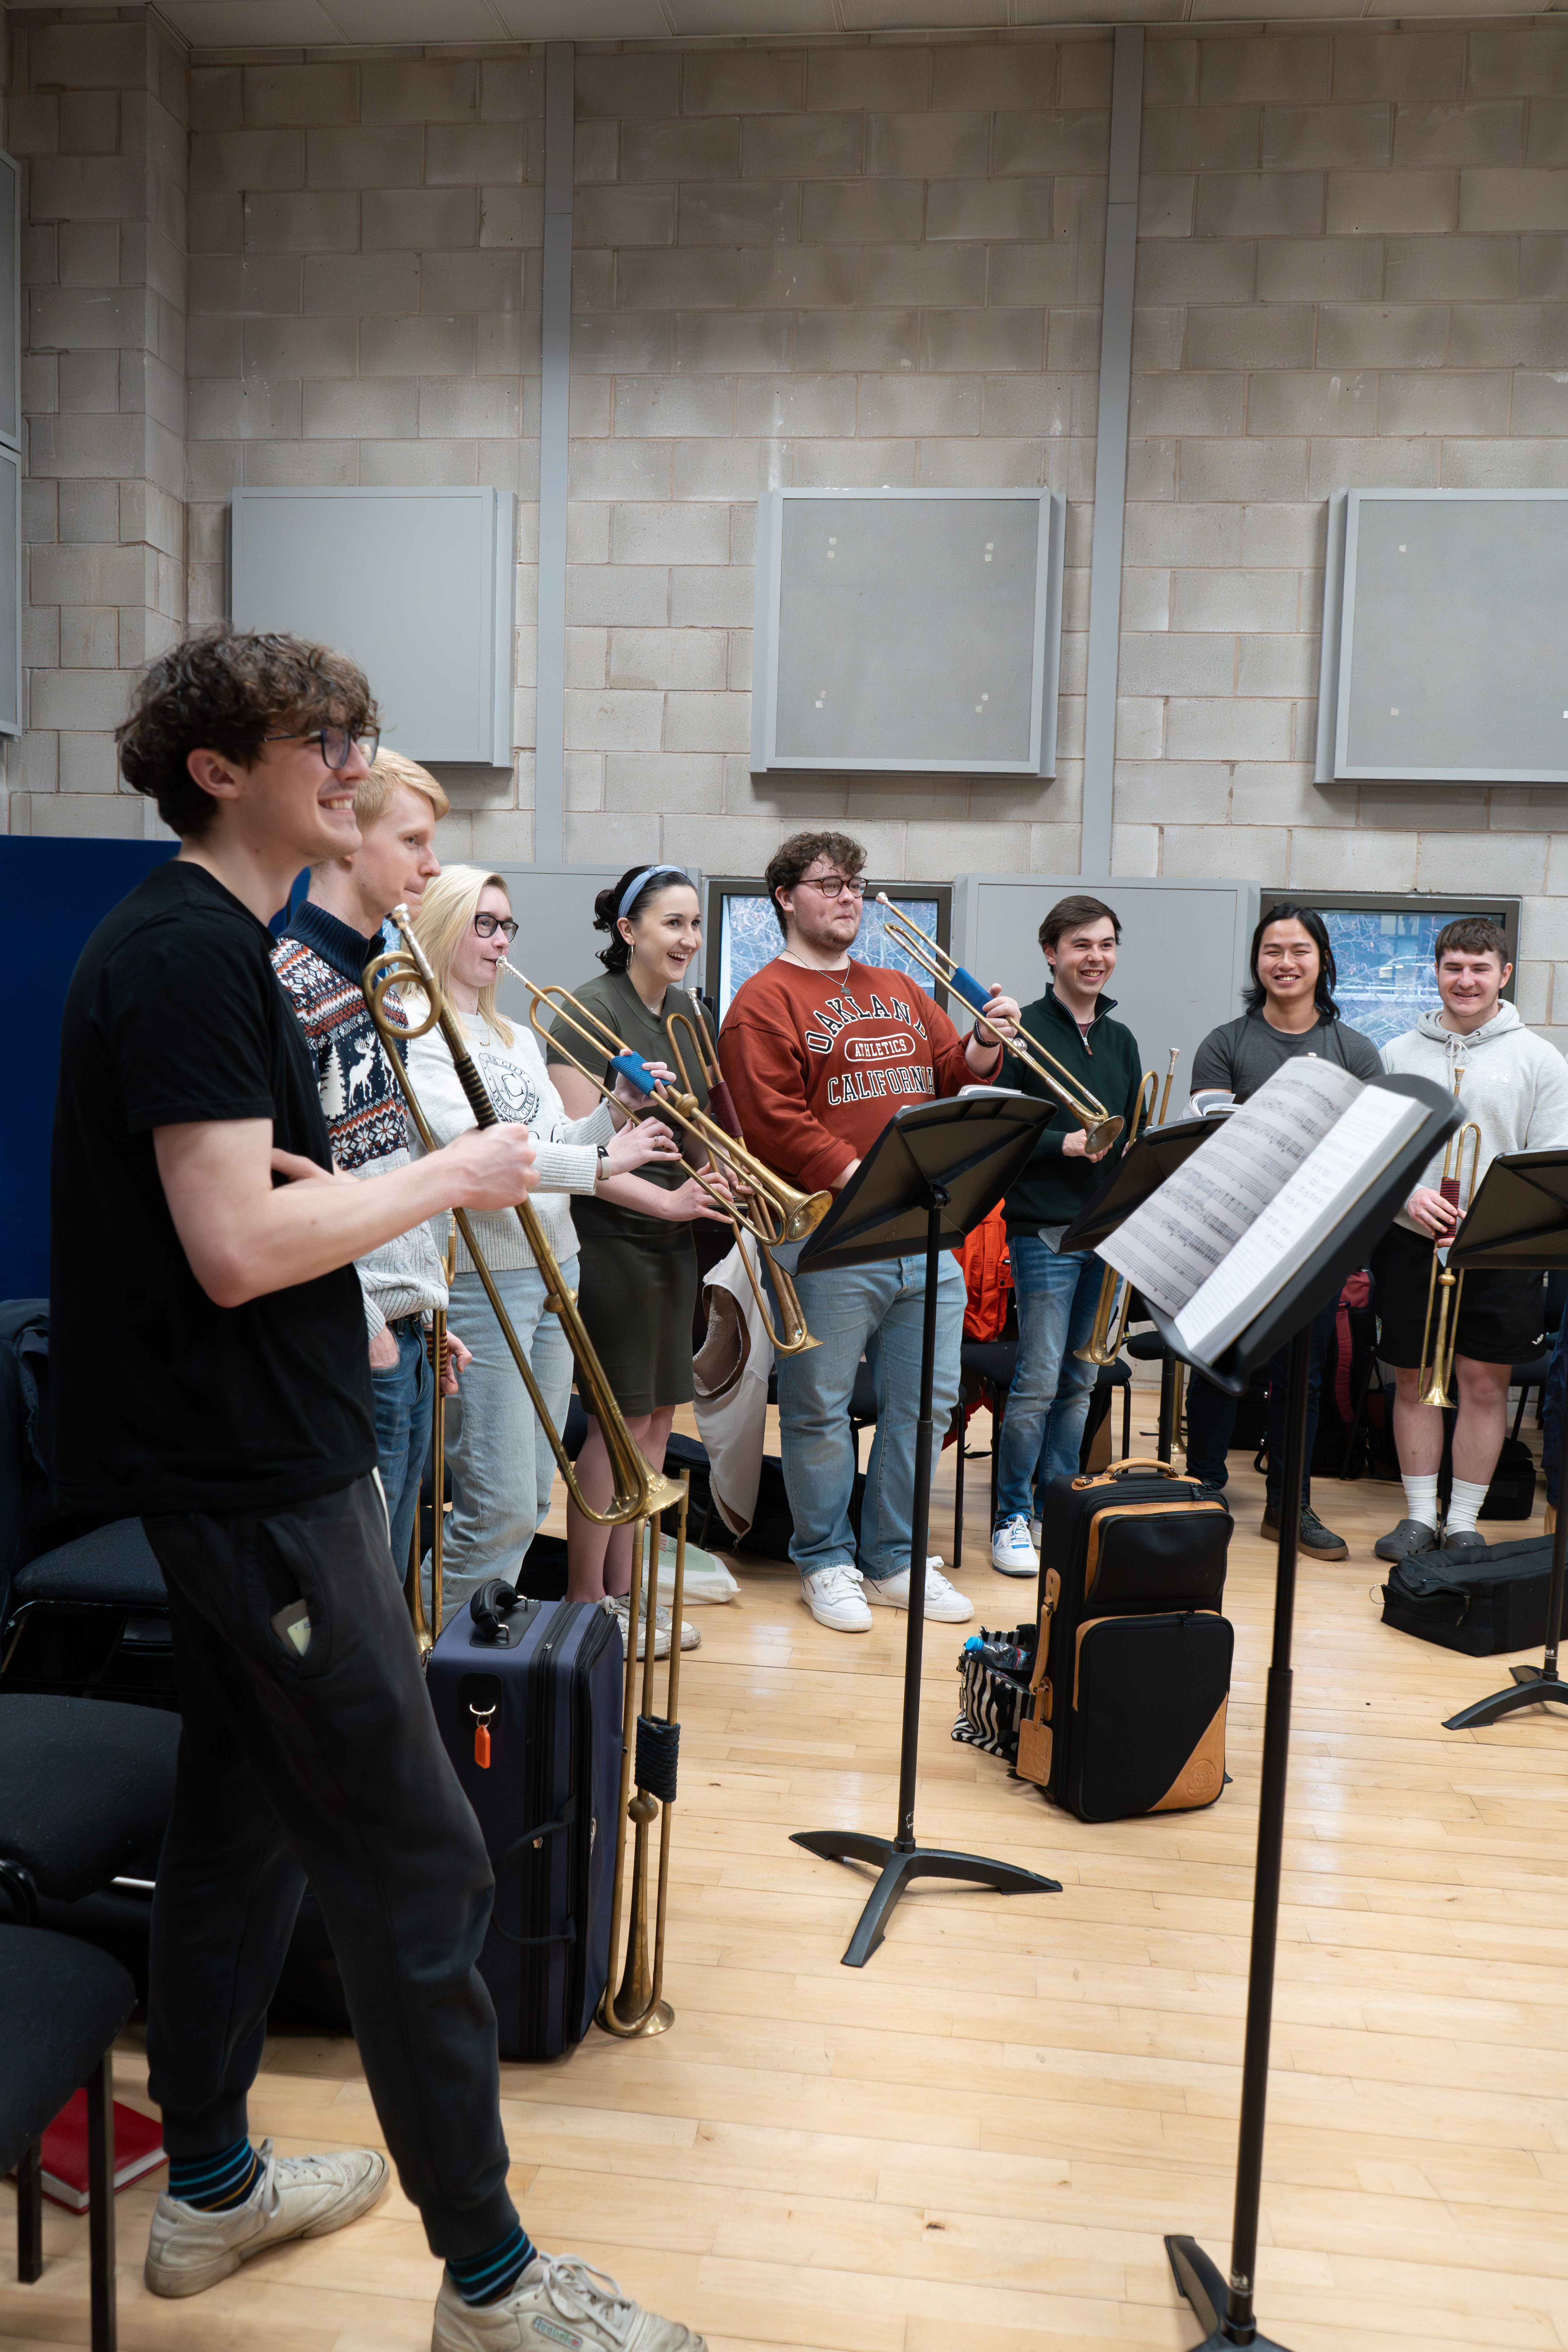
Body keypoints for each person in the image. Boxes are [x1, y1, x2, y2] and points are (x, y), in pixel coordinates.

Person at [47, 627, 703, 2352]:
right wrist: (456, 1170)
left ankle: (203, 2181)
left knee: (243, 1825)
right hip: (251, 1478)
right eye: (317, 736)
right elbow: (236, 1244)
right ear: (218, 766)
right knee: (422, 1863)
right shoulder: (192, 949)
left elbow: (250, 1198)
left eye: (355, 733)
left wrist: (369, 1194)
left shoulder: (234, 948)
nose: (352, 762)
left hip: (275, 1457)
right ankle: (490, 2283)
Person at [717, 830, 1022, 1634]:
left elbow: (954, 1076)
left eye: (854, 883)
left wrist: (987, 1038)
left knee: (924, 1405)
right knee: (818, 1409)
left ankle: (893, 1559)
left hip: (925, 1232)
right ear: (785, 897)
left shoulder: (894, 984)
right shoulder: (762, 1001)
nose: (848, 896)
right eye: (828, 884)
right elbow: (769, 1117)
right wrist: (863, 1176)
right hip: (831, 1236)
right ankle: (824, 1559)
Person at [404, 866, 682, 1630]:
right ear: (442, 929)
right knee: (494, 1506)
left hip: (557, 1270)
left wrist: (613, 1119)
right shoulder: (416, 1033)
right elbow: (482, 1156)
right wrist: (602, 1164)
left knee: (529, 1498)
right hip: (483, 1283)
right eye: (484, 925)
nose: (500, 941)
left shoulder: (514, 1033)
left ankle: (470, 1643)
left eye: (507, 927)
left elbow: (554, 1138)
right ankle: (428, 1646)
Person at [272, 745, 470, 1581]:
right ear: (348, 835)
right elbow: (279, 1186)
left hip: (403, 1324)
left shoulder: (375, 984)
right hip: (357, 1337)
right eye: (415, 841)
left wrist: (424, 1300)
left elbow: (378, 1165)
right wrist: (367, 1323)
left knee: (392, 1580)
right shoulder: (287, 977)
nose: (431, 866)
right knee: (360, 1593)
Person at [546, 864, 732, 1634]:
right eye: (671, 923)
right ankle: (585, 1602)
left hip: (672, 1228)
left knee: (656, 1421)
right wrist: (669, 1196)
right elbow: (583, 1156)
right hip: (610, 1235)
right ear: (627, 932)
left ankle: (623, 1596)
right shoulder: (585, 1013)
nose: (688, 939)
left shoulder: (688, 1009)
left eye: (694, 924)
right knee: (616, 1421)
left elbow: (690, 1126)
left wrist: (717, 1174)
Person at [1182, 905, 1383, 1561]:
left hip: (1312, 1241)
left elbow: (1370, 1152)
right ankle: (1202, 1490)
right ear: (1256, 962)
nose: (1284, 962)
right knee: (1216, 1363)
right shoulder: (1224, 1043)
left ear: (1322, 960)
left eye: (1299, 950)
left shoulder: (1353, 1050)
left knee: (1304, 1374)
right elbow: (1211, 1144)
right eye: (1271, 950)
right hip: (1231, 1236)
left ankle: (1287, 1505)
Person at [1373, 916, 1568, 1564]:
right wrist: (1408, 1194)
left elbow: (1549, 1158)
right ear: (1436, 971)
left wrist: (1497, 1214)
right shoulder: (1397, 1055)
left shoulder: (1539, 1058)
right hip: (1412, 1241)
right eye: (1454, 967)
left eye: (1480, 968)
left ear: (1504, 975)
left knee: (1484, 1385)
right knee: (1413, 1378)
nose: (1466, 980)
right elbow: (1377, 1151)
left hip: (1500, 1249)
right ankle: (1416, 1517)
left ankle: (1462, 1522)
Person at [988, 895, 1146, 1577]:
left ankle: (1058, 1506)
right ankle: (1010, 1518)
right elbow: (1005, 1137)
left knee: (1081, 1380)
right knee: (1036, 1381)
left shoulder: (1120, 1038)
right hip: (1044, 1230)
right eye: (1081, 945)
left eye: (1106, 945)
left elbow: (1130, 1132)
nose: (1096, 958)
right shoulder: (1022, 1031)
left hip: (1104, 1231)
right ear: (1051, 952)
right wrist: (1067, 1143)